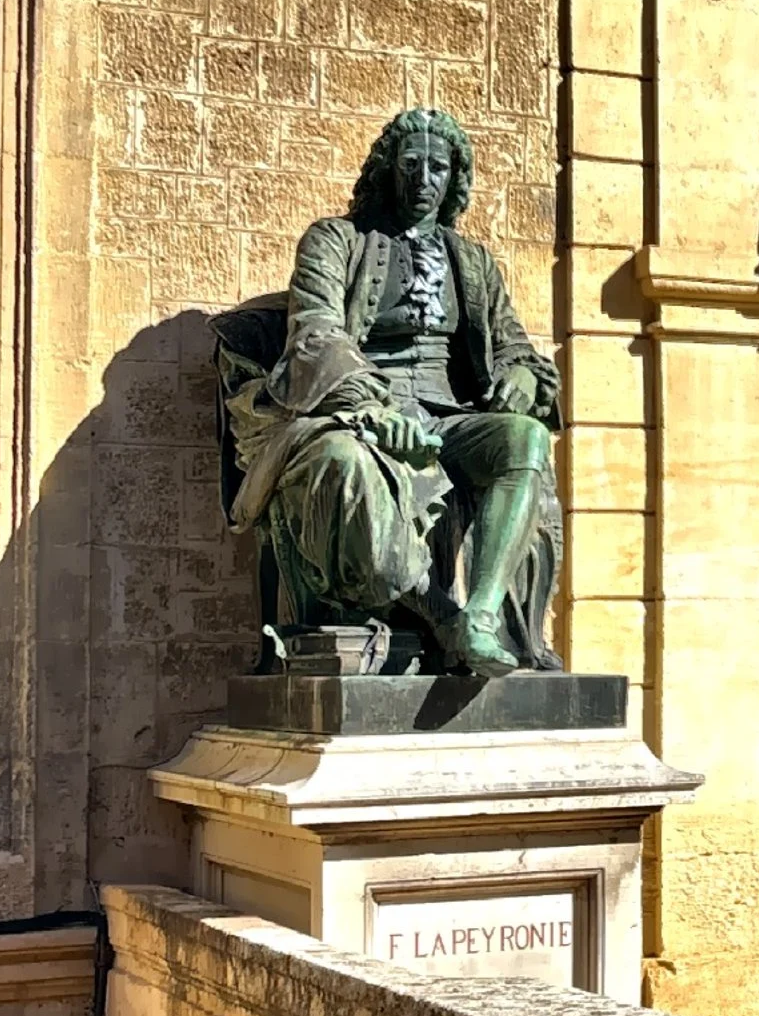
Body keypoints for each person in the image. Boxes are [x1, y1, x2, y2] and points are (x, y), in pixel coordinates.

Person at [218, 108, 560, 675]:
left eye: (439, 167)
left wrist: (524, 375)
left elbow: (514, 346)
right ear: (386, 171)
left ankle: (478, 616)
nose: (424, 179)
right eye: (411, 165)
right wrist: (371, 407)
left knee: (524, 439)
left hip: (449, 418)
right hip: (357, 414)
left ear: (455, 179)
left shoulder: (472, 261)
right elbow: (316, 332)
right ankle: (439, 615)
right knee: (343, 466)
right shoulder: (334, 240)